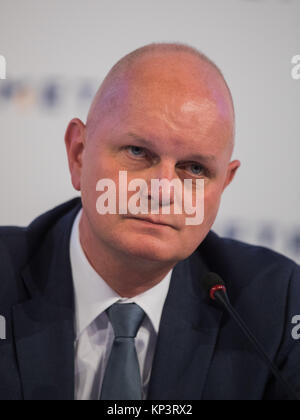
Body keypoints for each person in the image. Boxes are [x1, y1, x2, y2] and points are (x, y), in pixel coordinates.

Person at [0, 42, 299, 401]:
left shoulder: (276, 302)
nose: (162, 190)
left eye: (194, 168)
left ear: (224, 184)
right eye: (138, 152)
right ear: (79, 154)